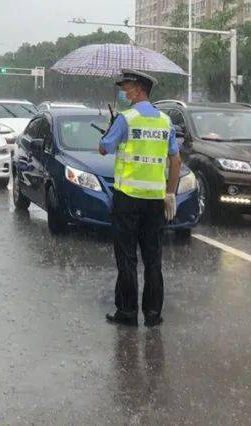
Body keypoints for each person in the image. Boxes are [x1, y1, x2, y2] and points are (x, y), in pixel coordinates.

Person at [98, 69, 180, 327]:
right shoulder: (165, 121)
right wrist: (170, 193)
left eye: (128, 87)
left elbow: (103, 148)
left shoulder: (126, 119)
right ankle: (153, 315)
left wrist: (111, 128)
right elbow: (175, 160)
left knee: (127, 258)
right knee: (153, 259)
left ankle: (128, 312)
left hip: (128, 199)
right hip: (155, 201)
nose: (124, 92)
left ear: (140, 89)